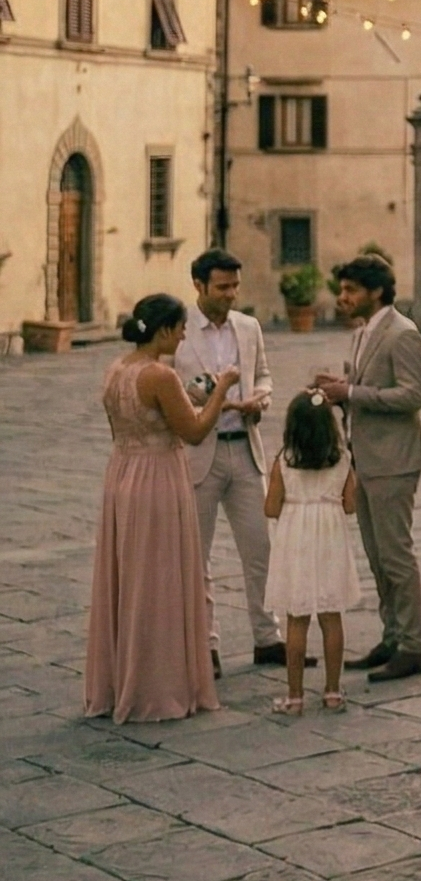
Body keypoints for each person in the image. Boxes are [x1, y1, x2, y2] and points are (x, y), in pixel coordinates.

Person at [84, 294, 234, 723]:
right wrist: (220, 389)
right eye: (181, 328)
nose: (185, 335)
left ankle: (121, 679)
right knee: (161, 579)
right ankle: (156, 685)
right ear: (165, 330)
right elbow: (195, 431)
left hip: (123, 474)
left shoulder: (116, 369)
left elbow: (130, 421)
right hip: (159, 479)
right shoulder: (160, 375)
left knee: (129, 577)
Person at [312, 256, 421, 682]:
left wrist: (352, 392)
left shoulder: (403, 334)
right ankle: (392, 636)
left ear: (376, 291)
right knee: (378, 557)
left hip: (395, 459)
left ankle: (414, 647)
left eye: (350, 291)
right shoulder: (364, 332)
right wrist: (340, 389)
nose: (342, 298)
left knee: (396, 556)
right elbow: (368, 387)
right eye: (342, 290)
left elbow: (413, 395)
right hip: (364, 457)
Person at [172, 249, 286, 675]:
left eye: (235, 286)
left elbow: (265, 375)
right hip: (199, 451)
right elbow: (170, 387)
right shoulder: (179, 330)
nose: (231, 295)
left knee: (261, 548)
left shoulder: (249, 326)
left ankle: (267, 637)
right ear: (199, 286)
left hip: (245, 447)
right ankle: (206, 645)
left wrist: (262, 398)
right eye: (223, 287)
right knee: (196, 556)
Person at [264, 391, 363, 715]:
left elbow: (270, 507)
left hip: (297, 539)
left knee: (297, 617)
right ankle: (333, 692)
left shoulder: (283, 460)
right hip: (330, 538)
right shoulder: (344, 459)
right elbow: (350, 505)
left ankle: (294, 697)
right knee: (332, 616)